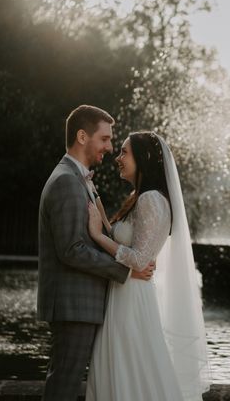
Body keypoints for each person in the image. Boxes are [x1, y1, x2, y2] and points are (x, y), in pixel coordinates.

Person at [37, 105, 155, 401]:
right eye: (104, 139)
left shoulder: (78, 179)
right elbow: (71, 250)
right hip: (73, 303)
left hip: (80, 303)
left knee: (66, 381)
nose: (110, 147)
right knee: (63, 385)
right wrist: (124, 270)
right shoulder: (66, 180)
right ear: (81, 136)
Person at [85, 131, 211, 401]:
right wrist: (95, 200)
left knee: (129, 372)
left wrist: (96, 236)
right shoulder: (142, 197)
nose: (118, 158)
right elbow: (124, 241)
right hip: (126, 293)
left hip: (131, 297)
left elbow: (139, 259)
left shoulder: (150, 199)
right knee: (123, 369)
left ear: (144, 158)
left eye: (124, 152)